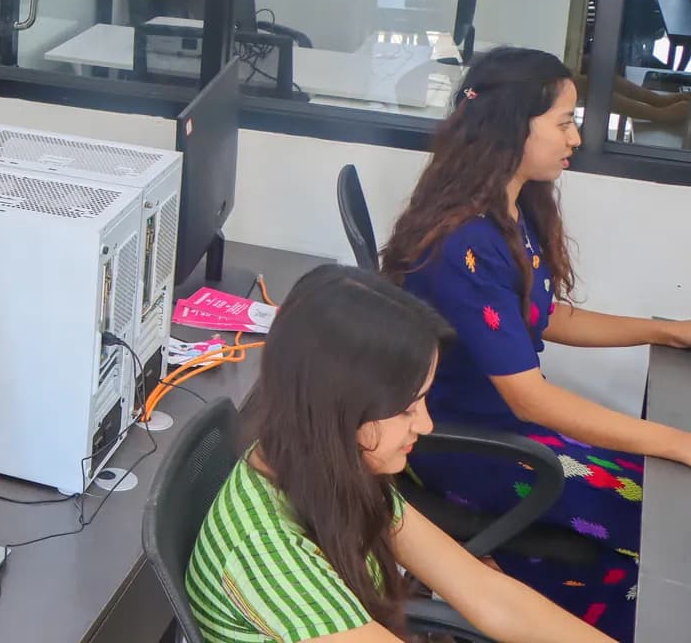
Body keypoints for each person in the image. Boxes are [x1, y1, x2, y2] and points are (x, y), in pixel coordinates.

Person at [382, 47, 691, 641]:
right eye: (564, 123)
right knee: (661, 520)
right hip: (472, 448)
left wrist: (662, 329)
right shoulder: (463, 244)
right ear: (511, 128)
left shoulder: (509, 205)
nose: (575, 137)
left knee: (655, 500)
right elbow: (530, 400)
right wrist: (676, 441)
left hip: (511, 431)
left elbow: (547, 318)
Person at [188, 264, 615, 643]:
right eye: (408, 407)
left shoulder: (329, 467)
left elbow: (489, 595)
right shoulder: (266, 557)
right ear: (340, 410)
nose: (426, 425)